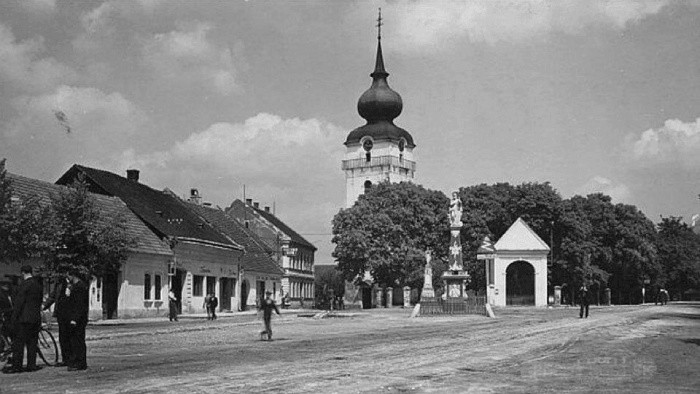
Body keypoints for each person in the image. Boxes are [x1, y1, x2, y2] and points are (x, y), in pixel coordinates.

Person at [4, 265, 43, 374]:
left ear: (22, 273)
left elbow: (19, 303)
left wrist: (14, 317)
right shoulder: (38, 285)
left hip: (24, 318)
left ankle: (17, 366)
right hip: (35, 318)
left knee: (18, 343)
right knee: (32, 342)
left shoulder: (24, 285)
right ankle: (31, 365)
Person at [42, 274, 71, 367]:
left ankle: (73, 358)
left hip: (70, 314)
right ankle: (65, 359)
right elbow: (53, 296)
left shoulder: (73, 283)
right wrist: (44, 306)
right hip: (61, 314)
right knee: (63, 337)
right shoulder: (59, 283)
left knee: (71, 337)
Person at [64, 270, 89, 371]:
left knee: (78, 341)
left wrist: (74, 319)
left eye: (68, 277)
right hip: (76, 317)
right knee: (75, 340)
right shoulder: (76, 286)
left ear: (72, 276)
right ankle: (77, 361)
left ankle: (80, 362)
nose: (68, 279)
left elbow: (79, 305)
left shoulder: (80, 287)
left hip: (78, 319)